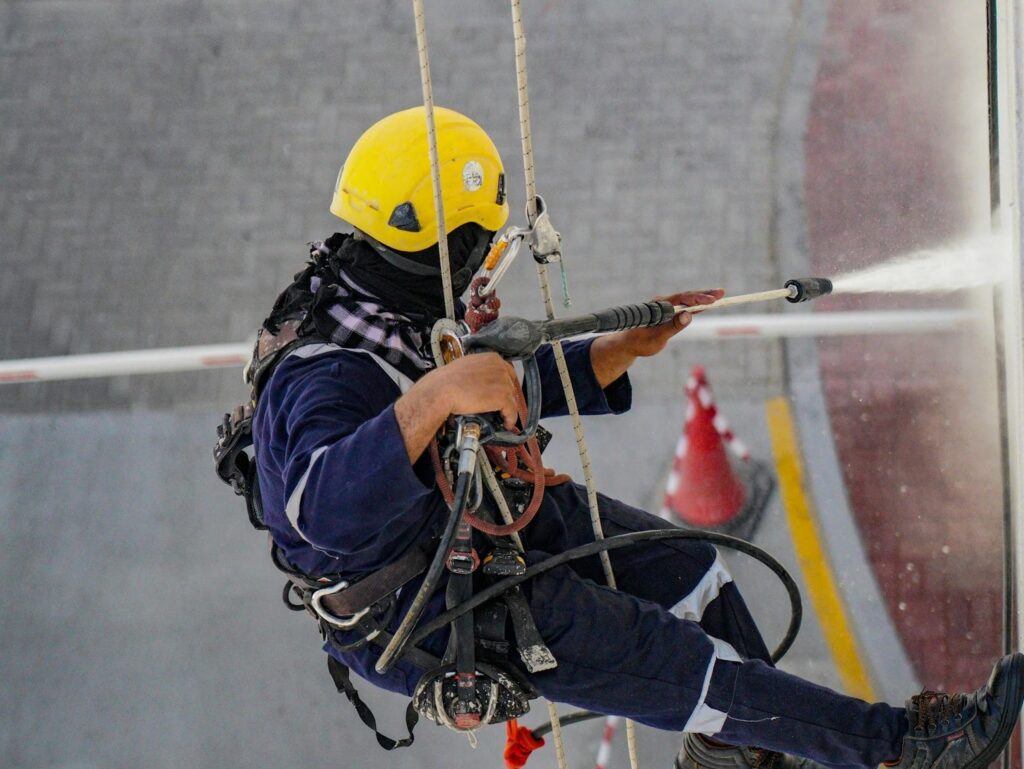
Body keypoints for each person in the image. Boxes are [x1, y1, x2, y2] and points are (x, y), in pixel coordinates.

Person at [250, 106, 1024, 769]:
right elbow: (320, 509)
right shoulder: (325, 374)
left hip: (465, 516)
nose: (489, 264)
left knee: (693, 572)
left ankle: (736, 753)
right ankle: (898, 748)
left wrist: (613, 353)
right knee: (691, 673)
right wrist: (438, 395)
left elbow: (486, 391)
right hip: (424, 606)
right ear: (442, 248)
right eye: (480, 245)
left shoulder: (381, 296)